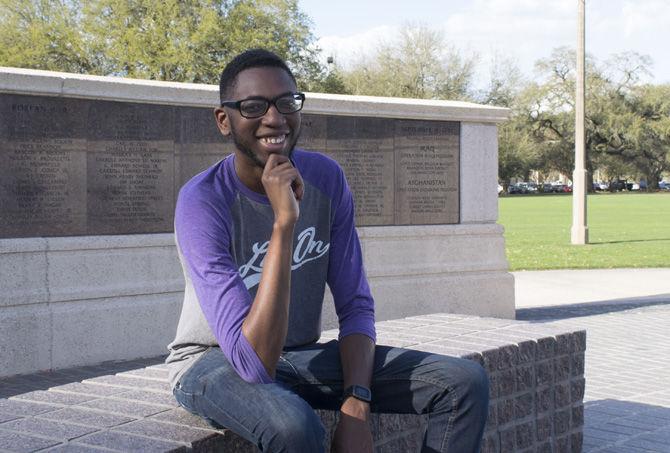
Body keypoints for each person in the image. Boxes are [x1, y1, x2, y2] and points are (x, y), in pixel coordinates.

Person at [166, 48, 489, 453]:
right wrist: (284, 224)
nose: (274, 118)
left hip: (299, 356)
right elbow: (252, 362)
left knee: (463, 384)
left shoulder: (326, 178)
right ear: (224, 120)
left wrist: (357, 403)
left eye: (286, 102)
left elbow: (355, 305)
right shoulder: (202, 201)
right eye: (253, 106)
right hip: (213, 362)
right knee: (293, 426)